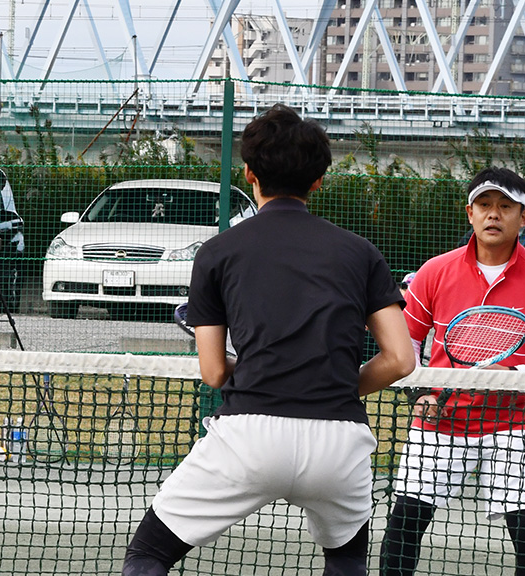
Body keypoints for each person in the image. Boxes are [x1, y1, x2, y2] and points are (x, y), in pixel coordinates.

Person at [121, 104, 416, 576]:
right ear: (317, 181)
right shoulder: (362, 253)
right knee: (347, 561)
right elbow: (401, 360)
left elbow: (214, 371)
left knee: (148, 555)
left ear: (249, 173)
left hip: (248, 436)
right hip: (339, 443)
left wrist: (272, 377)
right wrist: (332, 384)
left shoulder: (217, 252)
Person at [381, 167, 525, 576]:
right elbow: (406, 346)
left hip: (515, 423)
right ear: (469, 213)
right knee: (405, 522)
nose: (494, 215)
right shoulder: (434, 271)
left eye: (505, 206)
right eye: (485, 205)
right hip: (441, 422)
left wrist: (505, 375)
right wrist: (422, 394)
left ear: (523, 218)